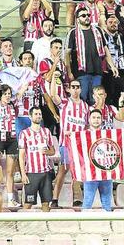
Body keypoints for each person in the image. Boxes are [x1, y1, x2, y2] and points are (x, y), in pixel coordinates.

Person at [65, 5, 118, 104]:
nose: (87, 17)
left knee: (96, 100)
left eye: (88, 15)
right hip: (81, 73)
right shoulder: (73, 33)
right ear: (77, 19)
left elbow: (106, 49)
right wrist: (69, 72)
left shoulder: (98, 31)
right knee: (82, 98)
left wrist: (112, 66)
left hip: (97, 72)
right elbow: (67, 54)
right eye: (83, 15)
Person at [50, 78, 89, 208]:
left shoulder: (85, 106)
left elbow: (87, 125)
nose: (75, 89)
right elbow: (53, 95)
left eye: (78, 87)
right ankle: (54, 199)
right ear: (69, 89)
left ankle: (77, 198)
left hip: (79, 145)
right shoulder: (65, 102)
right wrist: (54, 81)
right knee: (63, 170)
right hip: (66, 143)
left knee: (77, 171)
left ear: (81, 89)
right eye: (73, 87)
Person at [18, 106, 55, 211]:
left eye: (40, 114)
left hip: (45, 173)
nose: (38, 116)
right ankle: (20, 225)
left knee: (46, 203)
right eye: (36, 114)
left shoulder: (46, 132)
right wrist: (23, 174)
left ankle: (46, 226)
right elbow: (21, 155)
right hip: (31, 173)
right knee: (28, 203)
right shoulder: (24, 134)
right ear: (30, 116)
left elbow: (52, 151)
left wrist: (47, 152)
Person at [82, 109, 113, 211]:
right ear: (89, 120)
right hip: (90, 173)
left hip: (106, 172)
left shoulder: (109, 134)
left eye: (98, 118)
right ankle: (83, 226)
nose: (96, 120)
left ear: (102, 120)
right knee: (87, 202)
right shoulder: (82, 135)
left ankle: (109, 225)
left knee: (107, 203)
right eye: (94, 117)